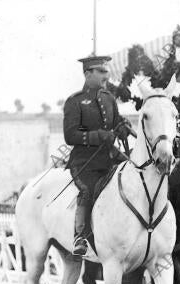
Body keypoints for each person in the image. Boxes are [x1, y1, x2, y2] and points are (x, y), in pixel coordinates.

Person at [63, 55, 132, 256]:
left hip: (110, 157)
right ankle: (81, 236)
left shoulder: (109, 99)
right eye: (101, 72)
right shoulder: (75, 102)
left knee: (136, 175)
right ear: (87, 73)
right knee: (88, 191)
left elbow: (116, 122)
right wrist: (99, 136)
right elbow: (70, 135)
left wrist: (122, 128)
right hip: (84, 162)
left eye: (106, 71)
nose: (106, 75)